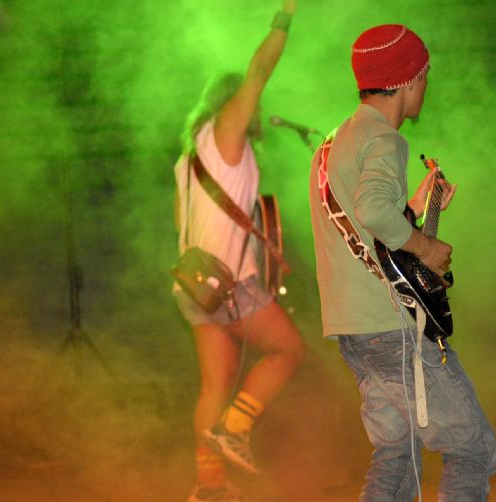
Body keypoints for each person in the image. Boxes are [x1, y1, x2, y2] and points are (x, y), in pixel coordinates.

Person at [308, 24, 496, 501]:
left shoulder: (332, 144)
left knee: (398, 456)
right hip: (392, 329)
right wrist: (427, 248)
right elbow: (374, 211)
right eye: (426, 76)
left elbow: (364, 226)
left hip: (353, 331)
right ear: (410, 80)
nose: (427, 86)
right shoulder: (385, 139)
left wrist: (414, 209)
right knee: (472, 449)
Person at [172, 2, 304, 501]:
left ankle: (209, 486)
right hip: (229, 286)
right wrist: (284, 16)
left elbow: (181, 227)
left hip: (194, 286)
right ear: (231, 104)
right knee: (287, 350)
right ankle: (234, 429)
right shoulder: (226, 135)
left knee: (215, 385)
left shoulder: (189, 158)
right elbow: (260, 69)